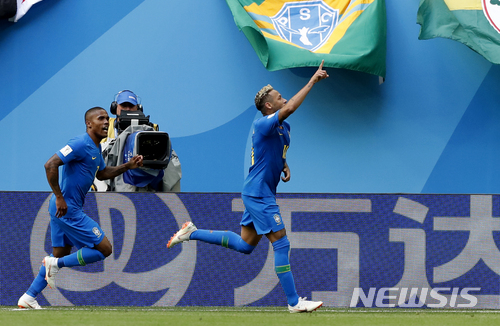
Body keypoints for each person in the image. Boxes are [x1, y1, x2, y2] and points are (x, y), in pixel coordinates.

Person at [167, 61, 329, 313]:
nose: (283, 98)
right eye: (278, 97)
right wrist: (311, 82)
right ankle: (294, 302)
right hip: (259, 193)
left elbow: (276, 151)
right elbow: (291, 109)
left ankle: (192, 232)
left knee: (245, 245)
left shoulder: (283, 129)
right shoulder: (262, 123)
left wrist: (284, 163)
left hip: (259, 191)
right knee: (281, 244)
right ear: (269, 106)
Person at [18, 107, 144, 309]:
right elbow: (50, 164)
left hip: (62, 209)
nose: (106, 122)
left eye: (107, 119)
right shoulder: (79, 143)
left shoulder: (95, 149)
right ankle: (54, 266)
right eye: (100, 118)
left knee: (59, 253)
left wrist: (127, 166)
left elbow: (102, 174)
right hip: (67, 209)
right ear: (89, 124)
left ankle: (29, 296)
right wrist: (59, 196)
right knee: (104, 249)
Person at [92, 90, 182, 192]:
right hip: (113, 171)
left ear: (138, 108)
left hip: (142, 171)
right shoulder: (105, 126)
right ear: (115, 108)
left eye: (131, 106)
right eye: (124, 106)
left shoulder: (150, 128)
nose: (128, 109)